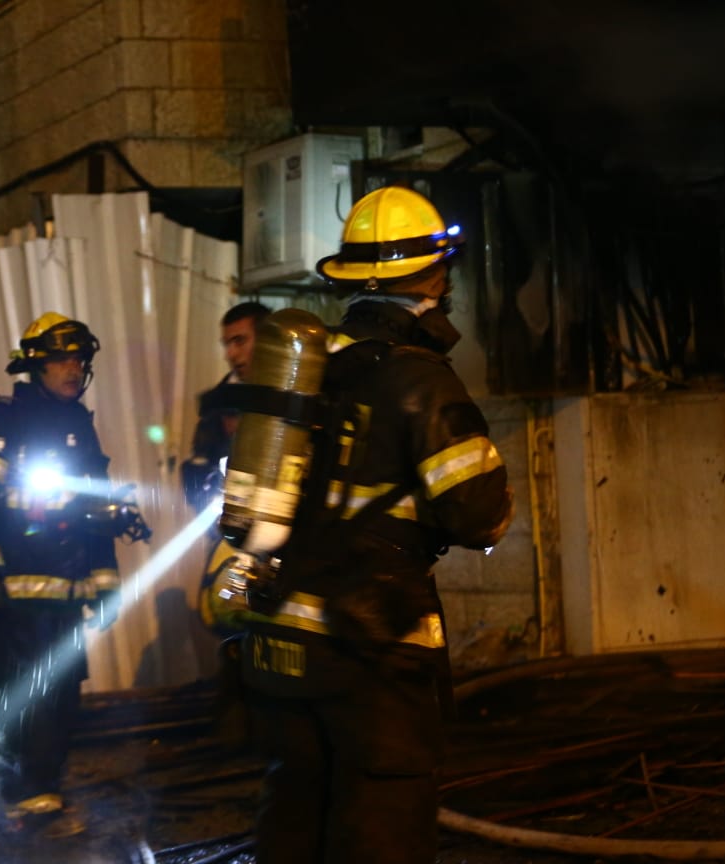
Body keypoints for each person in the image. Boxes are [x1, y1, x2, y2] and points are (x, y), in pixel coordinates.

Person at [224, 186, 513, 863]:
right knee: (384, 819)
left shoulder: (309, 366)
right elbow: (479, 515)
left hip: (278, 636)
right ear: (430, 277)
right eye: (442, 270)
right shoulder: (422, 380)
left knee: (298, 806)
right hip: (372, 644)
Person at [0, 312, 120, 829]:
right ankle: (24, 793)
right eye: (63, 358)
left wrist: (106, 581)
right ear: (36, 365)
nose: (74, 368)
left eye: (80, 360)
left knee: (63, 697)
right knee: (23, 693)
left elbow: (98, 513)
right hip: (11, 596)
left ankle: (41, 786)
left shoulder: (80, 429)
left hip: (65, 595)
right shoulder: (0, 423)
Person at [181, 301, 270, 514]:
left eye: (239, 341)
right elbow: (198, 473)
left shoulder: (299, 394)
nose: (230, 354)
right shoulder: (218, 403)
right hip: (234, 526)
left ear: (268, 340)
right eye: (226, 344)